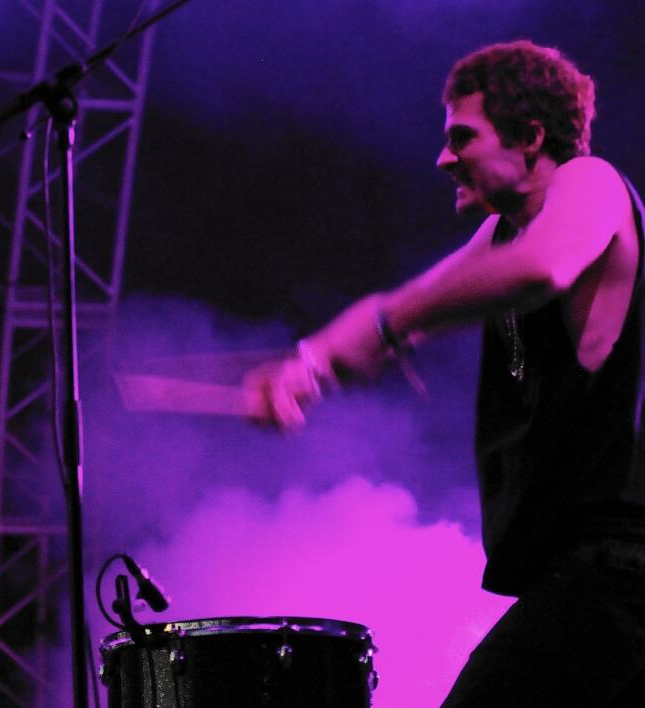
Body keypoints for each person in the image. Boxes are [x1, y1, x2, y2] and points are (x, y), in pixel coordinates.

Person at [242, 40, 645, 704]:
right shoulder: (503, 233)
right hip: (589, 579)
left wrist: (383, 323)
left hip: (619, 576)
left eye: (463, 136)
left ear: (530, 136)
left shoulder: (589, 181)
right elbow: (406, 312)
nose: (444, 158)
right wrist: (303, 369)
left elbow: (540, 268)